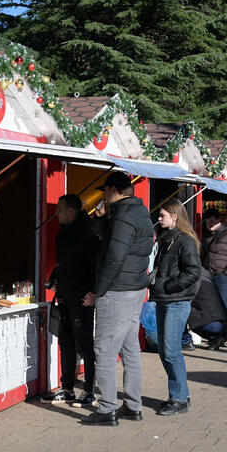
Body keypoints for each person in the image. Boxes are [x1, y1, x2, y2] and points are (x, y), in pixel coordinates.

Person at [80, 172, 154, 426]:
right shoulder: (140, 212)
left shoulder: (123, 215)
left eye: (105, 192)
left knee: (105, 350)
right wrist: (103, 221)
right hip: (135, 289)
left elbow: (114, 256)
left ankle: (107, 409)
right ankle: (133, 406)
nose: (103, 197)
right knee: (130, 348)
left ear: (113, 190)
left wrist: (98, 290)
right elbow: (118, 244)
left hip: (117, 291)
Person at [41, 194, 100, 407]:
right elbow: (63, 262)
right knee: (65, 343)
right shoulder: (63, 233)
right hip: (65, 294)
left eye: (60, 209)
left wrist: (94, 291)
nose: (56, 214)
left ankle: (90, 389)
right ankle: (67, 389)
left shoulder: (88, 233)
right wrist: (55, 277)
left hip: (83, 297)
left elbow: (97, 265)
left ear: (71, 211)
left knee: (84, 344)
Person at [150, 198, 202, 416]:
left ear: (175, 216)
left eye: (162, 215)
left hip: (177, 301)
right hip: (165, 299)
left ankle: (178, 398)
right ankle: (181, 394)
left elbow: (193, 272)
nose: (159, 219)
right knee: (165, 350)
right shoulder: (166, 239)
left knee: (171, 351)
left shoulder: (185, 241)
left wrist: (169, 286)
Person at [201, 208, 227, 348]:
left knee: (223, 304)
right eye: (207, 221)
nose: (209, 224)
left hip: (222, 275)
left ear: (219, 220)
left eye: (212, 221)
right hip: (209, 275)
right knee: (211, 306)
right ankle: (218, 334)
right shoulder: (208, 236)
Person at [189, 268, 227, 350]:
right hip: (221, 320)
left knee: (183, 314)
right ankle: (216, 337)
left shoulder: (195, 278)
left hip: (212, 321)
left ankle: (185, 341)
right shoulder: (207, 276)